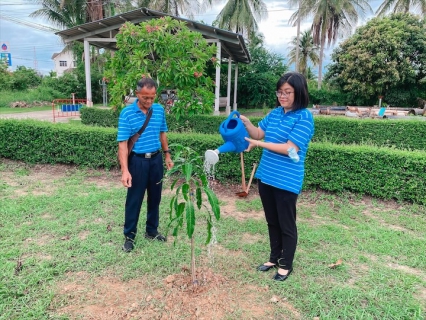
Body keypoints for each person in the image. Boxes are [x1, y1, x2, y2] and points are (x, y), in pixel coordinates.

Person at [240, 72, 314, 281]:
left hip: (287, 180)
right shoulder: (275, 113)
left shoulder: (304, 116)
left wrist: (258, 144)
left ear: (298, 92)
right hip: (267, 177)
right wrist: (246, 122)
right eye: (280, 92)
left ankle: (286, 264)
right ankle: (274, 258)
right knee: (272, 221)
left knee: (286, 224)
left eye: (287, 92)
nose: (282, 96)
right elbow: (257, 134)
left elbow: (290, 148)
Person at [117, 77, 174, 252]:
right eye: (145, 97)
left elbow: (162, 133)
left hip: (156, 160)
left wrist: (167, 155)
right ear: (137, 94)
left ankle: (151, 230)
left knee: (155, 197)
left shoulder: (158, 110)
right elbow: (122, 144)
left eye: (152, 97)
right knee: (134, 199)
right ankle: (129, 236)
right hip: (137, 162)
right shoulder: (127, 113)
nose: (149, 101)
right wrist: (125, 170)